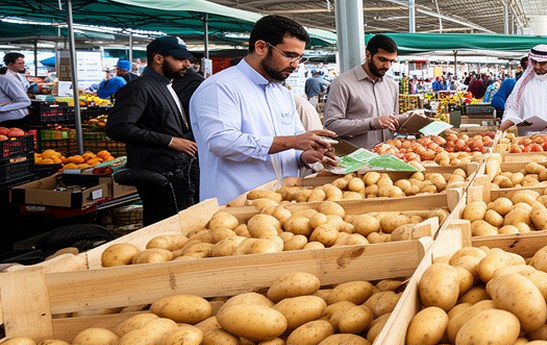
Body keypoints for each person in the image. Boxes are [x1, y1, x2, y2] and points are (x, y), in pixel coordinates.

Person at [189, 15, 338, 204]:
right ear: (261, 47)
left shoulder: (281, 93)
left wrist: (305, 156)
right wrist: (292, 142)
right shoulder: (220, 87)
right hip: (236, 205)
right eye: (289, 55)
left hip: (283, 201)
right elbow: (222, 142)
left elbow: (292, 140)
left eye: (300, 57)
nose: (295, 64)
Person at [105, 36, 200, 225]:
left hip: (176, 172)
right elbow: (118, 128)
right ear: (158, 59)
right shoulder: (139, 88)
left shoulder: (165, 85)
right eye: (180, 59)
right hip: (159, 176)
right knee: (164, 228)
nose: (187, 65)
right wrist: (171, 141)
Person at [324, 34, 409, 149]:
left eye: (391, 61)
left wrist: (409, 119)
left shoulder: (392, 86)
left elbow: (393, 122)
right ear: (368, 55)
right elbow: (331, 125)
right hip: (355, 160)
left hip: (388, 158)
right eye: (382, 59)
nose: (387, 66)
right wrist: (371, 123)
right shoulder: (342, 83)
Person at [0, 53, 30, 125]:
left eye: (23, 63)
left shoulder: (18, 75)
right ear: (10, 64)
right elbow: (25, 101)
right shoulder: (5, 78)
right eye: (19, 63)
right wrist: (2, 109)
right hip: (9, 117)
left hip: (18, 115)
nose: (23, 65)